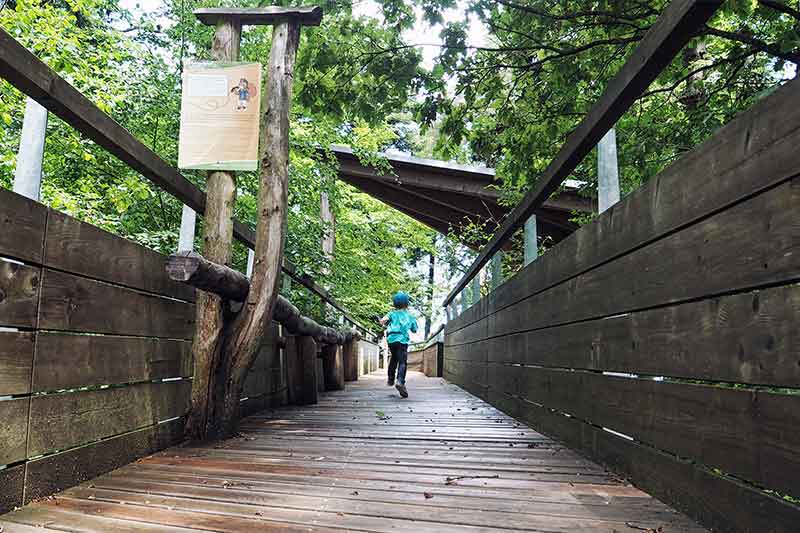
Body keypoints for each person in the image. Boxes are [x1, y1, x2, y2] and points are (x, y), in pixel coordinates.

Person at [379, 291, 418, 398]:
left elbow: (383, 320)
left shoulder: (392, 314)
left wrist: (382, 322)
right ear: (407, 304)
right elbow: (414, 329)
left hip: (391, 340)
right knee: (402, 362)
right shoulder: (410, 316)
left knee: (394, 358)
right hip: (402, 340)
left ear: (394, 304)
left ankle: (390, 379)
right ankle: (400, 381)